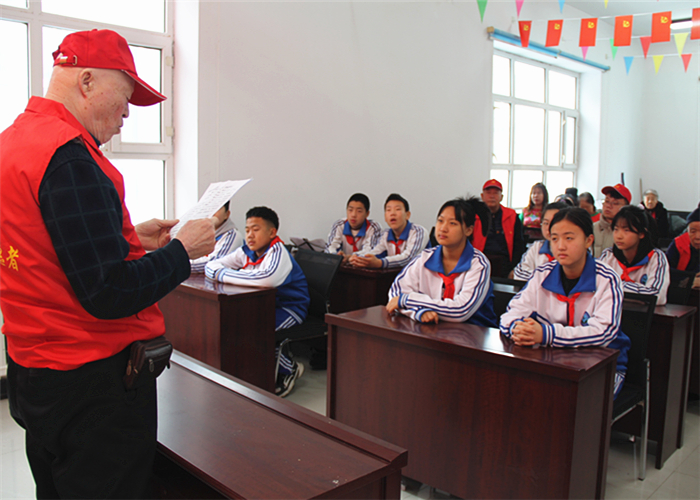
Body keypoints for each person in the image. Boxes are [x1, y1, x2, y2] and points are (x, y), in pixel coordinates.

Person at [0, 29, 216, 498]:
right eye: (124, 99)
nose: (126, 116)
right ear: (87, 82)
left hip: (33, 369)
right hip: (89, 386)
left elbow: (42, 244)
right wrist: (182, 252)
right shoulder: (69, 157)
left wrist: (128, 238)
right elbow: (110, 291)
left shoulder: (14, 142)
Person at [499, 208, 630, 399]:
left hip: (602, 365)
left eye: (569, 238)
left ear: (588, 240)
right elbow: (510, 314)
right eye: (554, 239)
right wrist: (517, 329)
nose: (560, 246)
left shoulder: (607, 279)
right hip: (554, 360)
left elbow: (603, 332)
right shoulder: (542, 274)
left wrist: (546, 334)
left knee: (583, 403)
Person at [205, 206, 310, 397]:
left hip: (289, 308)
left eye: (256, 229)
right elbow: (211, 265)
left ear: (272, 232)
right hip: (262, 306)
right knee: (238, 326)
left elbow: (265, 280)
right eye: (247, 230)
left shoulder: (278, 252)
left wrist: (224, 274)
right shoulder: (247, 251)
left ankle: (289, 368)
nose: (249, 235)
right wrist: (227, 273)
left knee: (256, 330)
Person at [387, 197, 497, 327]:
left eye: (452, 223)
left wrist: (408, 300)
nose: (443, 228)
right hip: (435, 330)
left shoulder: (478, 264)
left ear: (468, 230)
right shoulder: (425, 258)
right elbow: (395, 295)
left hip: (474, 331)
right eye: (440, 221)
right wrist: (418, 312)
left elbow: (460, 311)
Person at [599, 206, 670, 305]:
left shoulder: (656, 257)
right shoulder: (608, 255)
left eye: (626, 230)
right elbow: (594, 286)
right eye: (616, 229)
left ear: (641, 233)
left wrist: (614, 285)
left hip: (642, 313)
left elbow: (657, 295)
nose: (619, 236)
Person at [348, 193, 428, 269]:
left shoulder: (418, 232)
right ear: (385, 217)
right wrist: (356, 258)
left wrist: (380, 263)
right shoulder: (385, 234)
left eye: (397, 209)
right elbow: (375, 252)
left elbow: (409, 258)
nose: (392, 213)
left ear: (407, 215)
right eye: (388, 210)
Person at [473, 179, 525, 278]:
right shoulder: (474, 216)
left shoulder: (511, 216)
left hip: (505, 265)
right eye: (488, 193)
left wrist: (515, 269)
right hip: (478, 264)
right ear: (482, 196)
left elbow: (519, 245)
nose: (492, 196)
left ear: (501, 197)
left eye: (496, 193)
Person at [512, 202, 568, 281]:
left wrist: (537, 277)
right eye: (546, 223)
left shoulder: (571, 249)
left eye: (554, 223)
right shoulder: (536, 247)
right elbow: (520, 274)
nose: (548, 228)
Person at [324, 193, 382, 261]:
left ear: (367, 214)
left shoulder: (373, 228)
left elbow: (370, 252)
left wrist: (348, 257)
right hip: (341, 265)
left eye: (359, 211)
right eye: (350, 210)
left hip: (363, 266)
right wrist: (337, 257)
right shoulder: (339, 225)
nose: (353, 215)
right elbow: (330, 247)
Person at [190, 201, 242, 273]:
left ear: (227, 214)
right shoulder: (201, 234)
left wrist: (180, 264)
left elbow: (213, 263)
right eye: (209, 208)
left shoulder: (232, 235)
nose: (212, 212)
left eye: (217, 208)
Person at [593, 183, 631, 258]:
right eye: (607, 201)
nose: (608, 206)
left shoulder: (629, 233)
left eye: (615, 203)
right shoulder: (593, 228)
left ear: (625, 207)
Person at [666, 207, 700, 288]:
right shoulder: (678, 244)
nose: (698, 237)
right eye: (693, 231)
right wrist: (691, 278)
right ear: (687, 231)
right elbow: (664, 270)